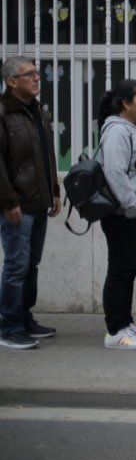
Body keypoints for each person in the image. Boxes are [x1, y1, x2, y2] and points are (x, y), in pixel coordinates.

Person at [0, 57, 60, 350]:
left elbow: (47, 153)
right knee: (16, 266)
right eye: (30, 74)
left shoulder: (37, 110)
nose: (37, 78)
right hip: (17, 205)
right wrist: (9, 201)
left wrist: (55, 191)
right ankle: (8, 326)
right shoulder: (3, 113)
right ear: (12, 82)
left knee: (31, 264)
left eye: (37, 73)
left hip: (39, 201)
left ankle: (24, 317)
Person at [97, 79, 136, 350]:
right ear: (125, 104)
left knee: (129, 270)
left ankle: (126, 322)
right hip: (123, 214)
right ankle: (115, 331)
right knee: (120, 271)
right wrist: (133, 205)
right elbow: (115, 174)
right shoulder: (116, 132)